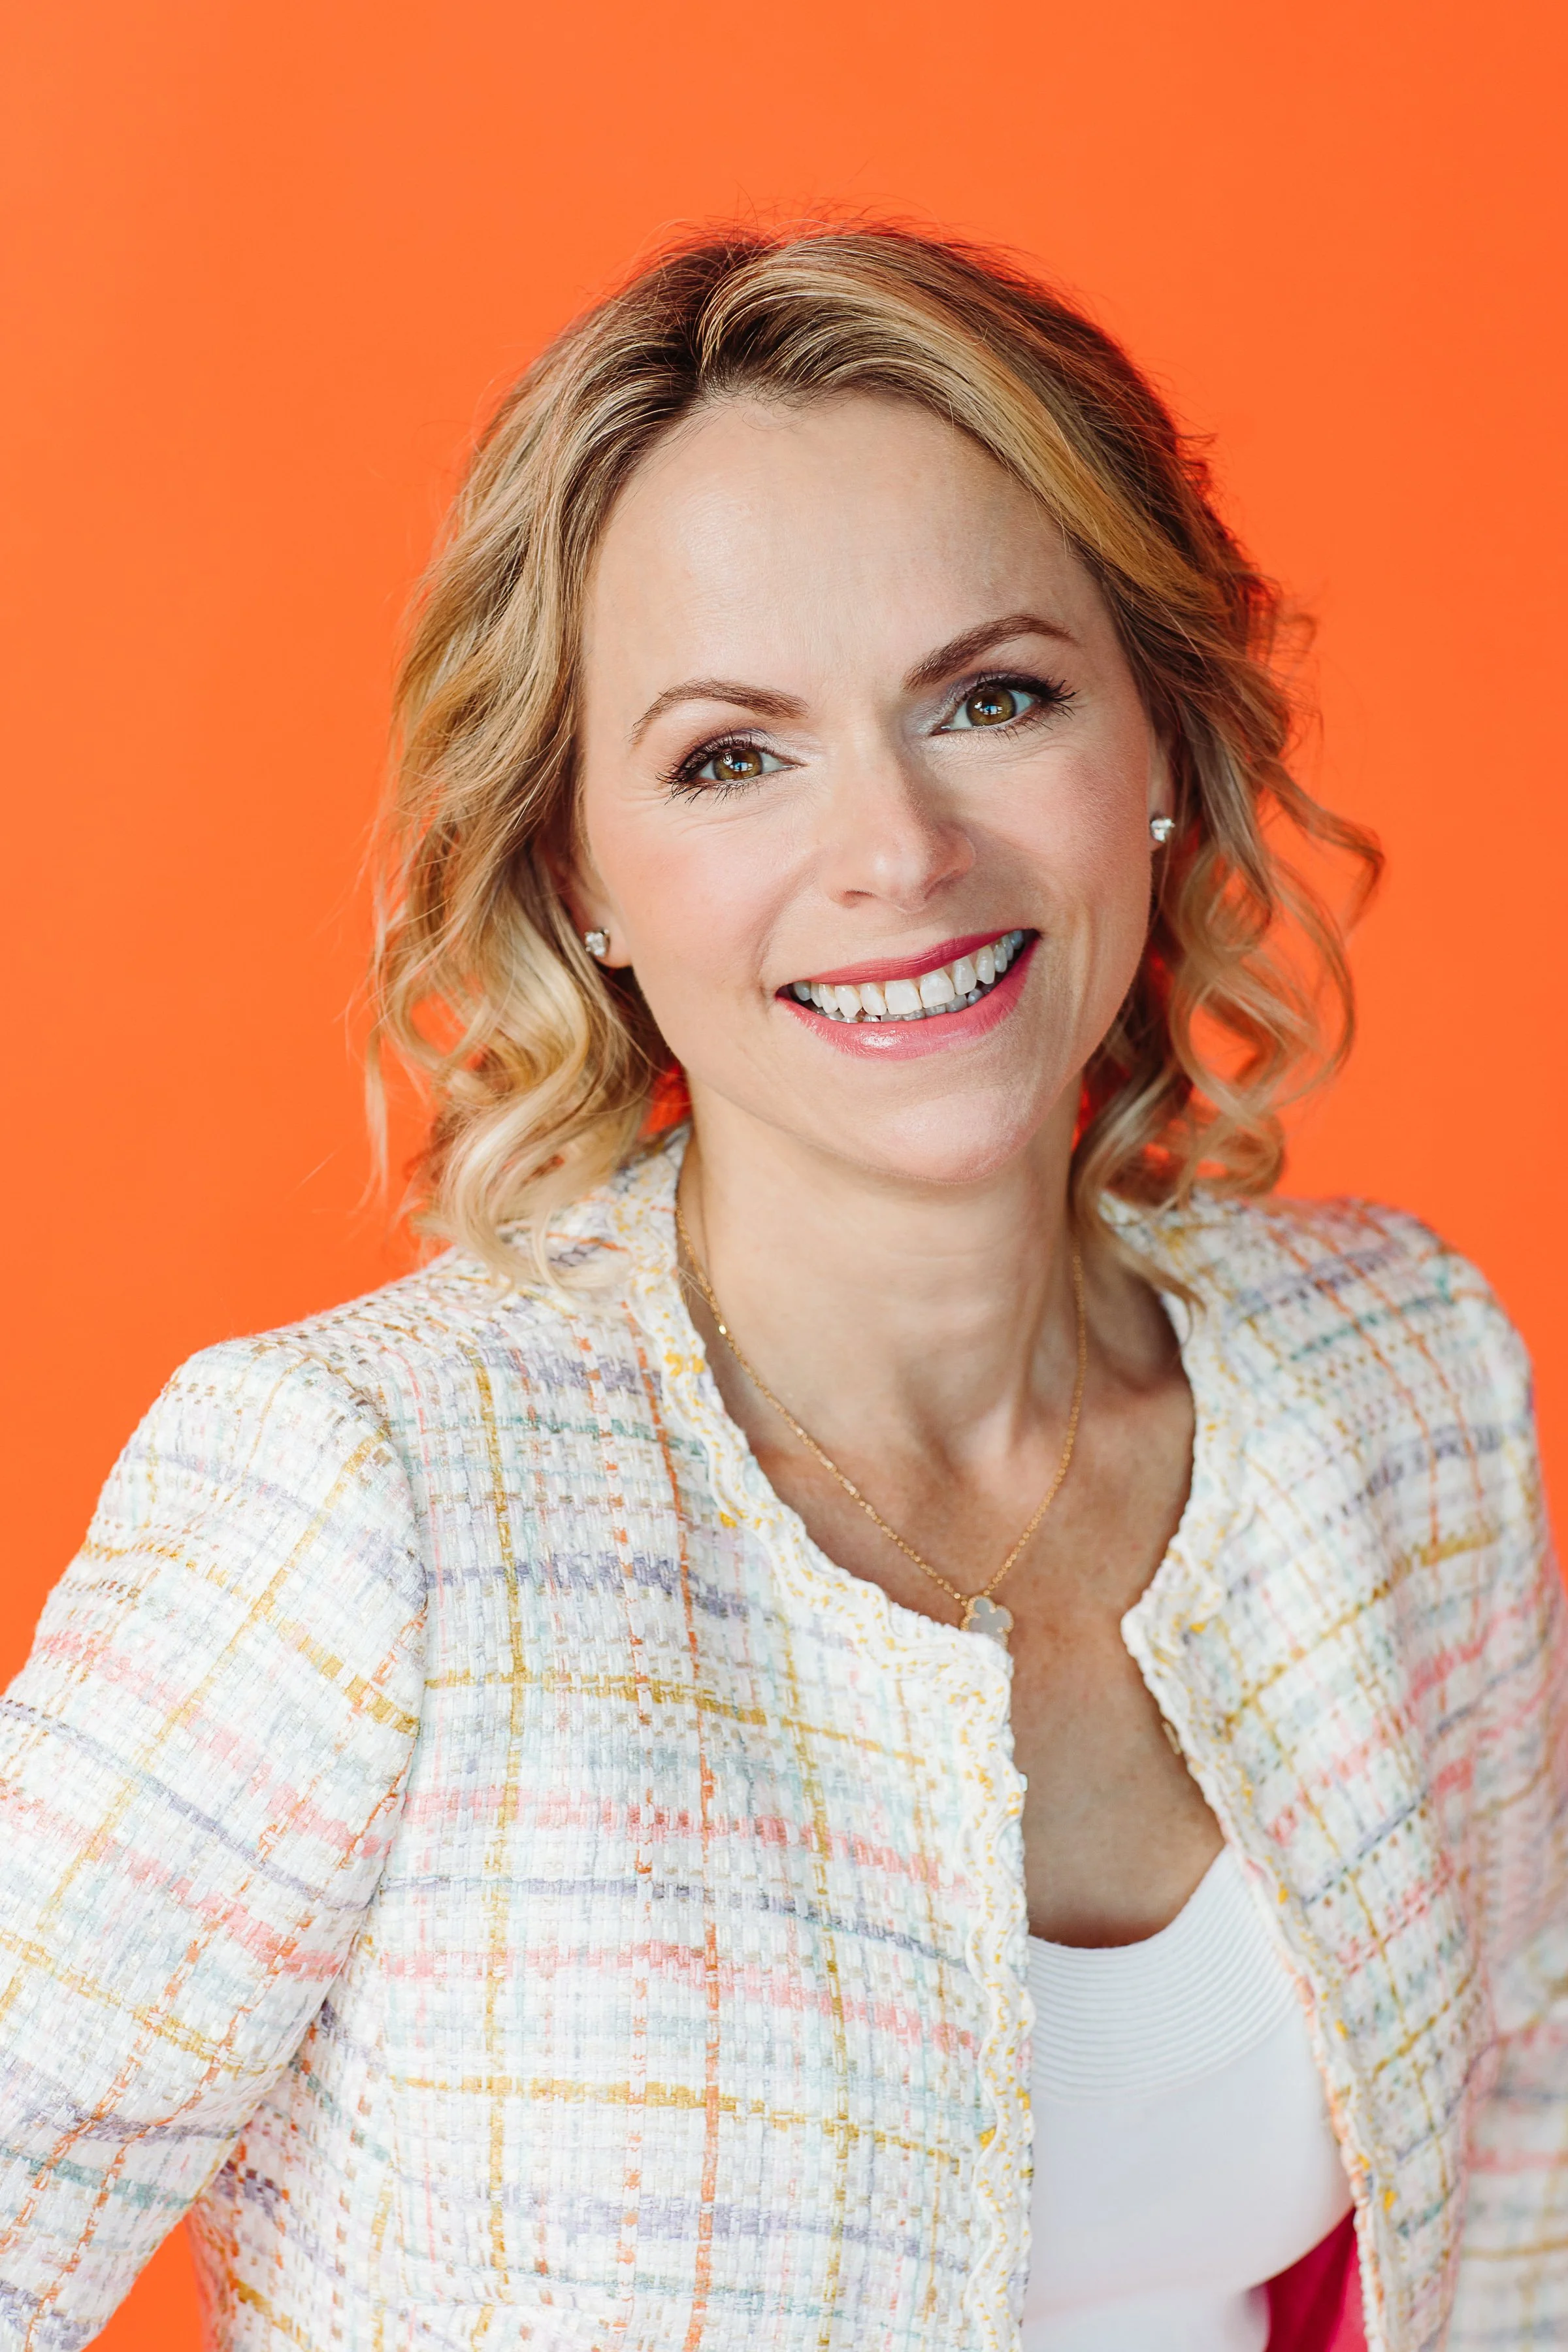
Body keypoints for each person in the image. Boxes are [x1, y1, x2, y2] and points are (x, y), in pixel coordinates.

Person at [0, 225, 1561, 2352]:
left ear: (1161, 745)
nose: (898, 851)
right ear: (581, 873)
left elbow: (1522, 2172)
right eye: (733, 755)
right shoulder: (375, 1504)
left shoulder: (1402, 1388)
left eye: (994, 697)